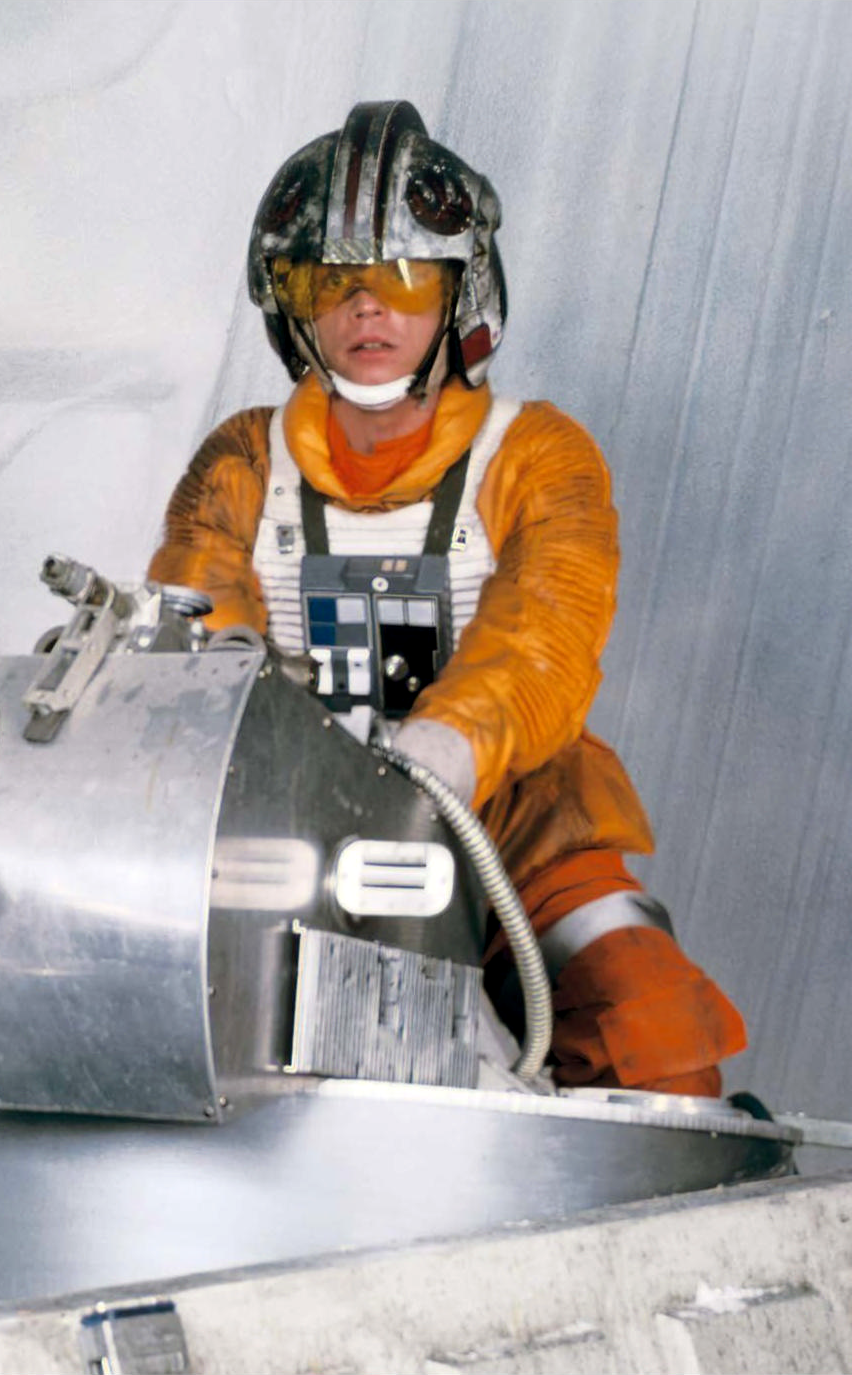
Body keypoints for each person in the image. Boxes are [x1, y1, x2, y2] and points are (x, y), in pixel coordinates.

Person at [148, 100, 745, 1096]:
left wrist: (446, 747)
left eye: (401, 279)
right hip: (288, 826)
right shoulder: (242, 463)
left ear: (460, 296)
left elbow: (545, 629)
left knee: (649, 1028)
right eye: (331, 282)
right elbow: (196, 637)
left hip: (512, 821)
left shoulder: (536, 455)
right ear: (291, 306)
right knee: (209, 1031)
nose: (367, 312)